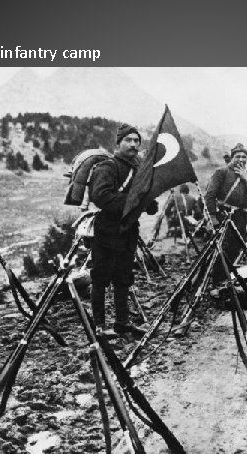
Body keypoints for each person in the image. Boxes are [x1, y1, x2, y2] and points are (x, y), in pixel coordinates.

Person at [89, 123, 158, 339]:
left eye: (137, 141)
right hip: (107, 230)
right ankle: (99, 326)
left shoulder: (139, 169)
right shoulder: (108, 167)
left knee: (123, 278)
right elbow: (101, 197)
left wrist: (148, 203)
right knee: (100, 278)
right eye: (128, 140)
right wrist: (133, 201)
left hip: (128, 231)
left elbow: (146, 200)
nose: (133, 144)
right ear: (118, 143)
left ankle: (122, 323)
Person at [205, 142, 247, 285]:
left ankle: (227, 278)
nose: (241, 159)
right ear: (232, 157)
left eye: (244, 157)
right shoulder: (221, 172)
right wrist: (212, 217)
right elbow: (209, 195)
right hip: (224, 215)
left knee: (236, 247)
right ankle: (217, 280)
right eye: (238, 156)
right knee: (223, 248)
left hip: (240, 216)